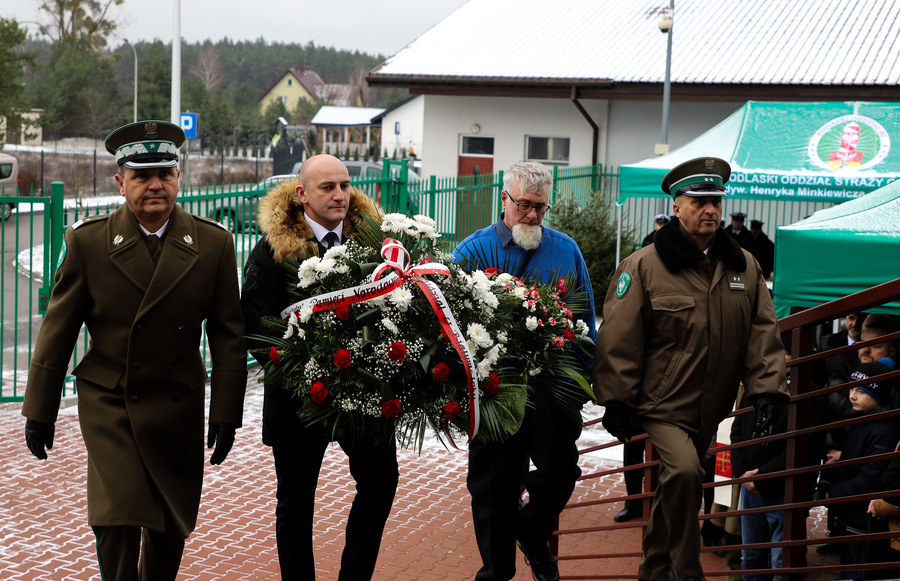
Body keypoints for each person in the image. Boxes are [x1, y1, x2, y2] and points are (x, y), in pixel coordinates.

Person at [21, 120, 247, 581]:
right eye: (142, 176)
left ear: (180, 177)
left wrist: (226, 412)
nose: (155, 185)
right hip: (112, 400)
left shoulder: (213, 244)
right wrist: (39, 408)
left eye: (165, 173)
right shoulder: (88, 243)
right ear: (119, 181)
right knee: (117, 518)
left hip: (176, 402)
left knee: (167, 527)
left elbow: (228, 335)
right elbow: (58, 329)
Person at [593, 156, 789, 581]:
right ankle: (686, 569)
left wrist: (769, 391)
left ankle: (653, 569)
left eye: (716, 201)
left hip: (710, 405)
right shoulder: (644, 266)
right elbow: (619, 337)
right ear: (676, 206)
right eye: (699, 201)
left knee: (675, 487)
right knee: (685, 470)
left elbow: (762, 333)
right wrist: (616, 399)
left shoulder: (744, 268)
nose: (711, 210)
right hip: (661, 402)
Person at [240, 154, 398, 580]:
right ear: (301, 193)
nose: (340, 195)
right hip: (298, 398)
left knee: (381, 482)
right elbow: (256, 326)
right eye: (327, 187)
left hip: (365, 394)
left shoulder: (374, 243)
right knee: (295, 504)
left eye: (345, 185)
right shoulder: (271, 250)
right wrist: (307, 371)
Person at [452, 161, 597, 581]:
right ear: (504, 200)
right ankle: (496, 573)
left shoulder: (566, 250)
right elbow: (450, 323)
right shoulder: (473, 251)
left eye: (541, 207)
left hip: (551, 393)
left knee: (561, 472)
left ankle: (531, 532)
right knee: (494, 490)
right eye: (524, 206)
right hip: (495, 394)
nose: (532, 215)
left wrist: (589, 377)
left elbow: (585, 318)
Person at [815, 362, 900, 579]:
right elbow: (854, 460)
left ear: (878, 395)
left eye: (861, 391)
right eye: (852, 388)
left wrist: (828, 494)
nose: (852, 395)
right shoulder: (864, 421)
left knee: (858, 572)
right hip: (850, 518)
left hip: (864, 522)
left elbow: (867, 479)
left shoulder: (884, 431)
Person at [731, 390, 787, 581]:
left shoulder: (805, 392)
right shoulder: (751, 391)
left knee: (780, 561)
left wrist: (761, 476)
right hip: (749, 487)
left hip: (781, 489)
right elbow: (736, 432)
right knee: (750, 555)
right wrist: (740, 472)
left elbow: (802, 445)